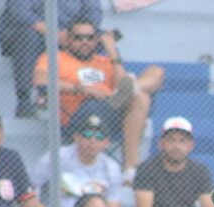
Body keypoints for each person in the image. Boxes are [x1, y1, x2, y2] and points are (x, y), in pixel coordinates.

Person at [33, 18, 163, 178]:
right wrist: (82, 89)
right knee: (141, 97)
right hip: (80, 113)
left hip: (111, 108)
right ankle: (131, 167)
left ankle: (130, 170)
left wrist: (113, 52)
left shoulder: (105, 61)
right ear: (68, 39)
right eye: (78, 38)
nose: (84, 42)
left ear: (97, 40)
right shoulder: (54, 57)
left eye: (90, 38)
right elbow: (40, 80)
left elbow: (121, 83)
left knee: (155, 73)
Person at [0, 0, 103, 118]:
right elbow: (20, 10)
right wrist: (53, 33)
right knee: (29, 36)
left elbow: (94, 12)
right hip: (29, 31)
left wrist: (75, 34)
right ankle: (25, 101)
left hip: (69, 33)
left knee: (101, 39)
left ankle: (98, 99)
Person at [32, 114, 123, 207]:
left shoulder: (111, 168)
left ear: (106, 143)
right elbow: (30, 194)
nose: (92, 141)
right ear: (76, 137)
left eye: (99, 137)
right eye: (87, 135)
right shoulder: (55, 157)